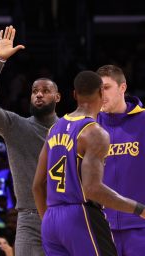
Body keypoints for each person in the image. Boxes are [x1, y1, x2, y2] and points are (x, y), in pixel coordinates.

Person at [32, 70, 145, 255]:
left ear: (74, 94)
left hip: (51, 219)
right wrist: (139, 209)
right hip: (79, 214)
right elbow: (92, 189)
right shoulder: (94, 131)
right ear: (101, 92)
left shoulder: (54, 128)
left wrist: (48, 222)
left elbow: (37, 185)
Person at [0, 25, 60, 255]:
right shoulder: (16, 126)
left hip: (64, 215)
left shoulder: (70, 129)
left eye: (45, 90)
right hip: (29, 220)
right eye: (34, 90)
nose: (38, 94)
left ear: (57, 97)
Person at [96, 65, 145, 256]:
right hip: (101, 227)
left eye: (106, 87)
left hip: (140, 225)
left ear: (122, 88)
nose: (102, 94)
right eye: (98, 89)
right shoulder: (88, 126)